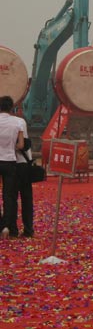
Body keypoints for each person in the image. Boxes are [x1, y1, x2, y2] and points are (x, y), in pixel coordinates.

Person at [0, 96, 24, 239]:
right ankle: (9, 227)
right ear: (11, 108)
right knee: (9, 196)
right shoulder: (17, 122)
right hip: (10, 161)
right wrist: (10, 147)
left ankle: (1, 226)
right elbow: (20, 145)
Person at [13, 113, 34, 237]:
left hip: (11, 164)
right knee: (27, 198)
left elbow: (23, 144)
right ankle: (28, 229)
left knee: (10, 199)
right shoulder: (20, 121)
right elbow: (25, 144)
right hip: (24, 164)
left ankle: (12, 228)